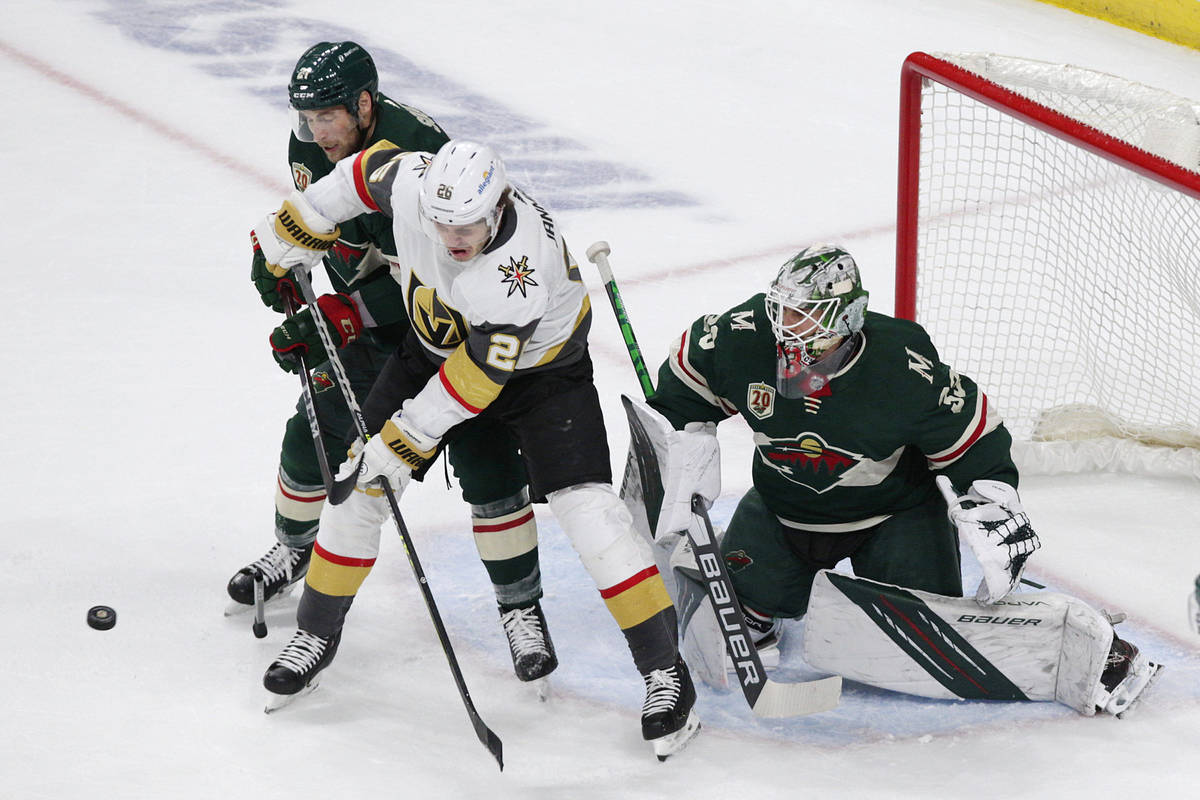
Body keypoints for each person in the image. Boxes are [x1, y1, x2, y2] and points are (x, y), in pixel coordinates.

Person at [248, 138, 701, 759]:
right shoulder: (412, 184)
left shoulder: (515, 272)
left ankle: (664, 673)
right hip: (430, 350)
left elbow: (475, 382)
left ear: (501, 206)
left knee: (591, 515)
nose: (451, 238)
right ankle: (314, 637)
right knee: (358, 486)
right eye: (441, 223)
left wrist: (403, 441)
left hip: (542, 376)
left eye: (466, 226)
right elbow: (356, 175)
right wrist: (295, 223)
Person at [639, 243, 1161, 717]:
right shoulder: (744, 336)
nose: (787, 325)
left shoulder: (900, 367)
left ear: (846, 318)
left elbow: (973, 432)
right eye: (783, 308)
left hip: (890, 517)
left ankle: (1067, 632)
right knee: (745, 609)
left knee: (923, 626)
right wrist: (681, 440)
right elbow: (690, 377)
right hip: (784, 510)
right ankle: (760, 604)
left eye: (806, 314)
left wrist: (991, 501)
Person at [228, 41, 557, 685]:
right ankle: (295, 551)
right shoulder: (314, 144)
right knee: (316, 427)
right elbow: (318, 222)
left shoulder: (416, 158)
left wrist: (349, 313)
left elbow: (434, 271)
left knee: (486, 461)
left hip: (445, 331)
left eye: (328, 115)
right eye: (306, 117)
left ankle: (521, 609)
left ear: (364, 103)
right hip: (368, 314)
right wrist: (278, 257)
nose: (315, 131)